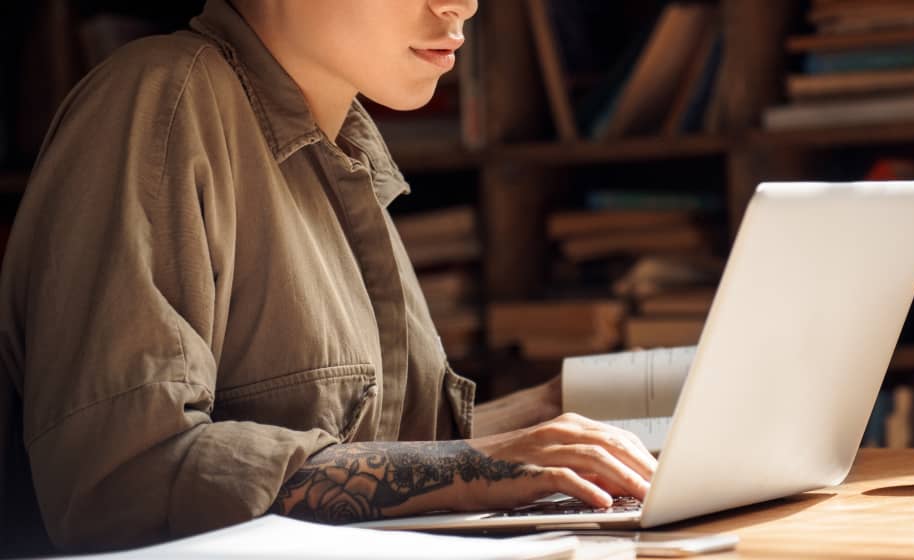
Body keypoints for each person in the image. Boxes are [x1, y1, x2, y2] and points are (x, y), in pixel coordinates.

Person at [0, 0, 656, 554]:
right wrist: (478, 463)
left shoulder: (338, 142)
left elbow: (380, 453)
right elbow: (121, 480)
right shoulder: (159, 102)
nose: (463, 4)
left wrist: (550, 409)